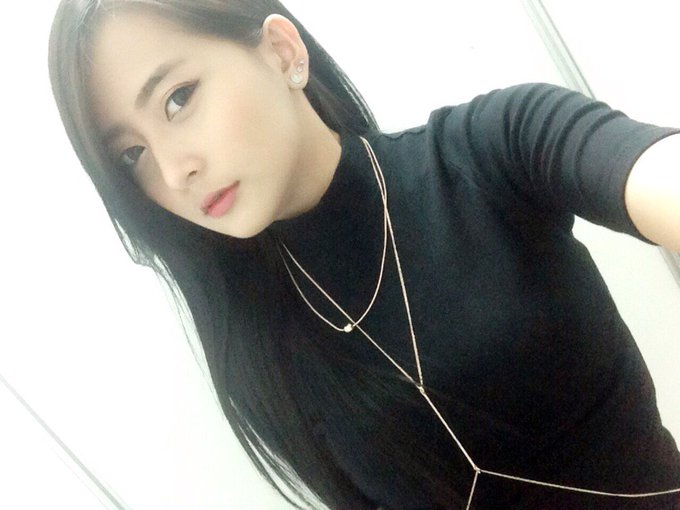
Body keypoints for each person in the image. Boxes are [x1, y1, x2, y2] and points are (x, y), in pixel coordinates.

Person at [48, 1, 680, 508]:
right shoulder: (255, 341)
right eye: (131, 155)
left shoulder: (487, 151)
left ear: (282, 51)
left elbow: (646, 170)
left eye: (178, 98)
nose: (172, 170)